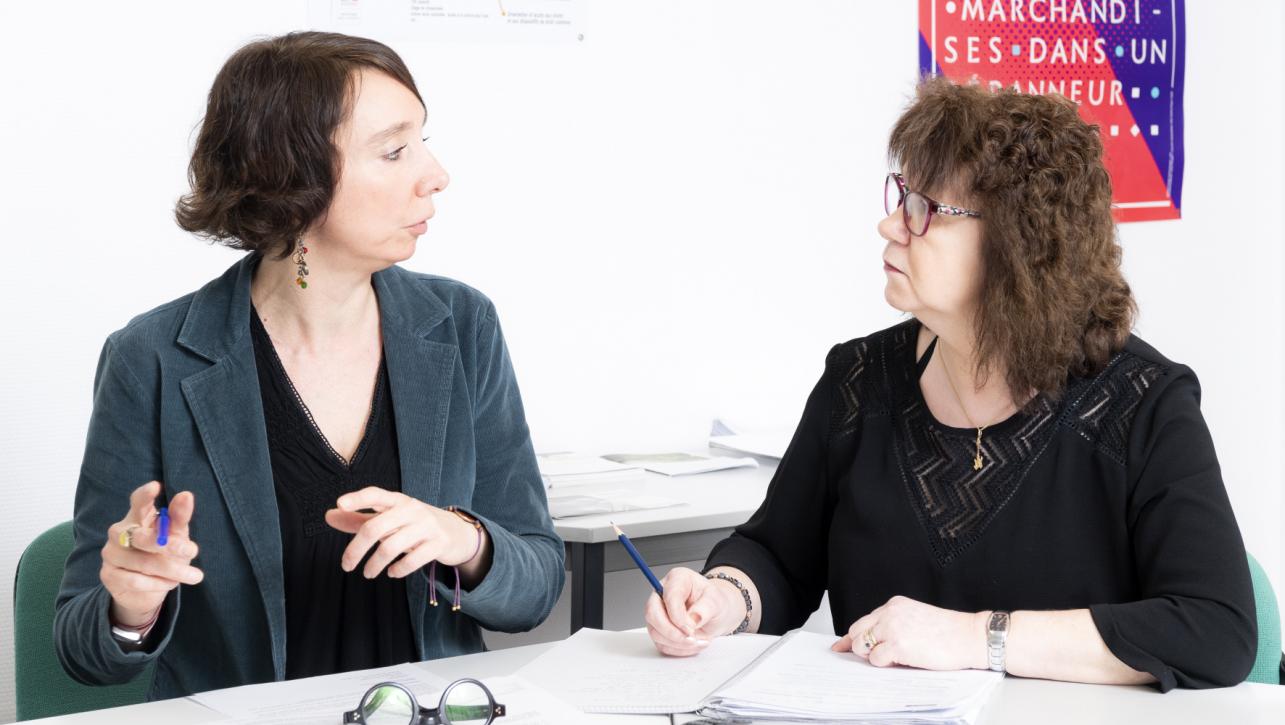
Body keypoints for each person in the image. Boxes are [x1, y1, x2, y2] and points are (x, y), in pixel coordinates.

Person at [643, 78, 1257, 691]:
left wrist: (973, 639)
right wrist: (723, 599)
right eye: (901, 197)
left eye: (924, 209)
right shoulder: (858, 381)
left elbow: (1214, 630)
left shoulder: (1143, 403)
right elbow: (777, 558)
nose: (890, 225)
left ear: (1018, 244)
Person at [54, 31, 564, 699]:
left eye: (423, 141)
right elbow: (83, 651)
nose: (436, 174)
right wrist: (131, 605)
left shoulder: (461, 325)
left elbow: (535, 587)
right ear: (291, 179)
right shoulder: (152, 358)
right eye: (394, 151)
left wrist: (464, 539)